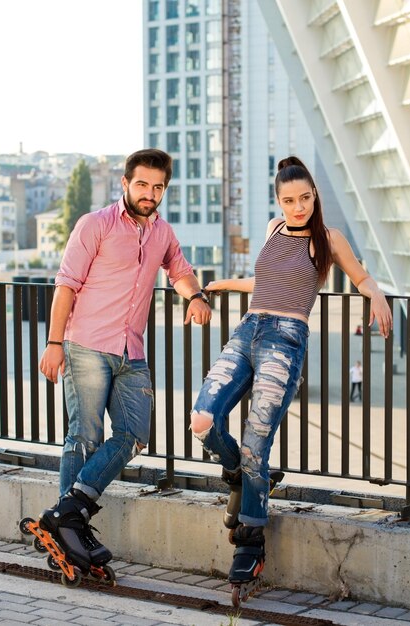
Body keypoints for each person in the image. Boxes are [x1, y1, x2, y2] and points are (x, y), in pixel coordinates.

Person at [190, 156, 392, 588]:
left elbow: (361, 277)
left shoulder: (329, 238)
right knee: (202, 418)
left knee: (256, 437)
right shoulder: (272, 228)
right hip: (248, 329)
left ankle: (251, 536)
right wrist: (226, 284)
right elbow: (266, 281)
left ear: (314, 195)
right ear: (278, 201)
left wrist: (376, 295)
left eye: (304, 198)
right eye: (288, 200)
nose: (297, 207)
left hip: (286, 338)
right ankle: (240, 477)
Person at [38, 148, 211, 573]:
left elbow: (179, 269)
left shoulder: (163, 233)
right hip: (87, 345)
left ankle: (68, 515)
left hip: (132, 350)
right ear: (125, 184)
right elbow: (66, 285)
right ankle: (71, 532)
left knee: (134, 433)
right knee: (84, 437)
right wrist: (54, 342)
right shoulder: (94, 225)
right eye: (142, 184)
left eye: (158, 187)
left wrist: (196, 295)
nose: (149, 193)